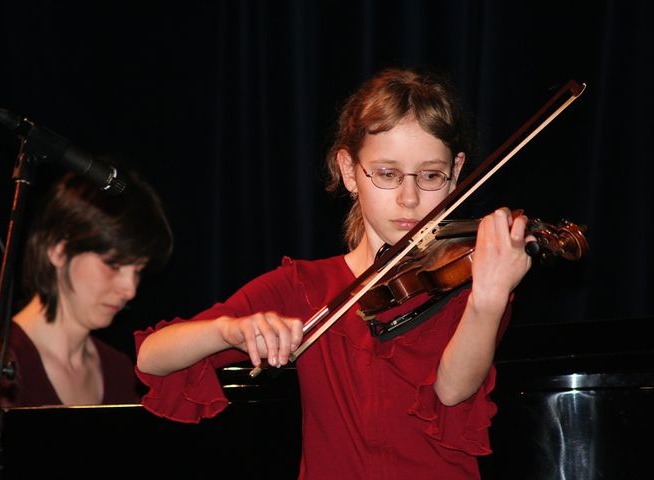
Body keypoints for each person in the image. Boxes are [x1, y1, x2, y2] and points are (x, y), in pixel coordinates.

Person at [135, 67, 533, 479]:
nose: (410, 197)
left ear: (456, 173)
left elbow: (452, 391)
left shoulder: (474, 279)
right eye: (387, 174)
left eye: (431, 175)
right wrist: (229, 331)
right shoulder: (305, 288)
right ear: (348, 171)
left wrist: (489, 299)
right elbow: (152, 357)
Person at [0, 169, 173, 478]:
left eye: (139, 270)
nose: (130, 289)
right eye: (114, 265)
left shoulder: (120, 370)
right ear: (58, 249)